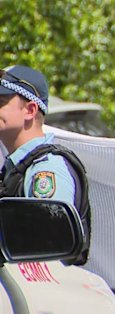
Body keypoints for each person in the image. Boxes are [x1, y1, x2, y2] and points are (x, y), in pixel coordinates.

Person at [0, 65, 91, 265]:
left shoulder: (46, 170)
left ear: (30, 111)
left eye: (1, 101)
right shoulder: (14, 168)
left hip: (39, 292)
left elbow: (48, 253)